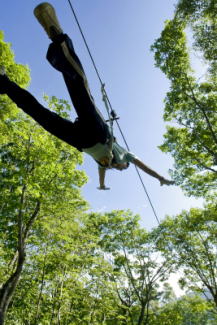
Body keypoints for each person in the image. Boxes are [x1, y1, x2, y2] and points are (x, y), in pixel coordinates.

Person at [0, 2, 174, 190]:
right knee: (79, 88)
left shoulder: (104, 164)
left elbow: (101, 173)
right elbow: (142, 166)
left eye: (119, 169)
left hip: (79, 141)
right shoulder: (125, 155)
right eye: (123, 168)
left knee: (42, 117)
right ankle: (58, 37)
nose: (119, 168)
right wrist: (160, 178)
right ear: (125, 164)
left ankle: (4, 83)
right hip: (98, 132)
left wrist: (102, 185)